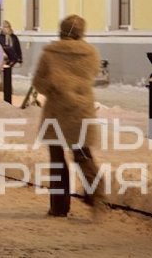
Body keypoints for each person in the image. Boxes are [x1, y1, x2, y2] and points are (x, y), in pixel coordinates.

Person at [32, 15, 104, 216]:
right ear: (82, 32)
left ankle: (59, 207)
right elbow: (93, 75)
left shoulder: (50, 54)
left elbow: (39, 83)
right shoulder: (91, 54)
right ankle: (96, 194)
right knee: (82, 154)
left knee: (57, 160)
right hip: (81, 111)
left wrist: (55, 88)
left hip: (57, 112)